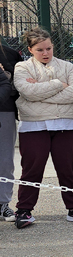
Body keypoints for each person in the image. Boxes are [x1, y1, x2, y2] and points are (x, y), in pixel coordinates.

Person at [12, 28, 73, 229]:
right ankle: (23, 210)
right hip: (33, 125)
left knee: (67, 168)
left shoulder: (67, 66)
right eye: (40, 49)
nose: (46, 53)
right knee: (32, 169)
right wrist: (59, 84)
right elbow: (27, 92)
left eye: (49, 48)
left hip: (66, 125)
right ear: (31, 49)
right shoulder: (22, 67)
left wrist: (41, 92)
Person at [0, 40, 22, 222]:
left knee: (5, 160)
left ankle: (3, 204)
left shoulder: (11, 55)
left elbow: (17, 87)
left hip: (4, 111)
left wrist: (6, 76)